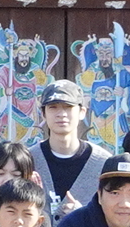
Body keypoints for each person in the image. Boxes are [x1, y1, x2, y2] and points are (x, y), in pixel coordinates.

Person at [28, 80, 107, 217]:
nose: (61, 114)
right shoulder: (29, 160)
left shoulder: (103, 163)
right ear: (43, 113)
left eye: (68, 107)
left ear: (82, 112)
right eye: (53, 107)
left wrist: (82, 216)